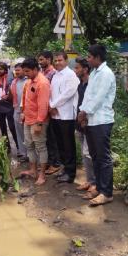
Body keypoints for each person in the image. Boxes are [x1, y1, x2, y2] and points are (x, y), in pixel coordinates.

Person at [78, 44, 116, 206]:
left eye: (90, 57)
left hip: (102, 121)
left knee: (103, 158)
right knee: (95, 157)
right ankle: (99, 187)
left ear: (98, 57)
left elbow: (99, 97)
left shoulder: (106, 74)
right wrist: (83, 112)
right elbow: (88, 96)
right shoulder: (94, 73)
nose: (88, 59)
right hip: (91, 120)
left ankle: (107, 193)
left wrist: (84, 112)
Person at [49, 52, 80, 184]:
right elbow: (50, 93)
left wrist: (53, 104)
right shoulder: (55, 75)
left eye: (60, 60)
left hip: (66, 116)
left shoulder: (70, 75)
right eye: (55, 60)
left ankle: (70, 173)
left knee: (68, 145)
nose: (57, 63)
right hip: (55, 115)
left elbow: (68, 93)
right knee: (60, 144)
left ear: (66, 61)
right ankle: (64, 169)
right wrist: (51, 106)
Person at [19, 58, 51, 185]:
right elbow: (25, 98)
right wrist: (23, 113)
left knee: (41, 147)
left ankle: (42, 174)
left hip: (38, 121)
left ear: (35, 69)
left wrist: (39, 123)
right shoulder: (29, 81)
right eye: (24, 71)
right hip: (27, 119)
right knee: (29, 145)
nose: (25, 73)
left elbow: (43, 105)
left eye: (27, 71)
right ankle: (33, 170)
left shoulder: (43, 83)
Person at [74, 58, 96, 194]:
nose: (75, 70)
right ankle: (89, 180)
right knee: (84, 152)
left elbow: (92, 103)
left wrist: (85, 118)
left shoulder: (91, 84)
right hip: (79, 122)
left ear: (85, 69)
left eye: (77, 68)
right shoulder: (80, 84)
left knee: (89, 153)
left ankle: (94, 182)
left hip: (87, 121)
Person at [38, 50, 61, 175]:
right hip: (43, 110)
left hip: (51, 109)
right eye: (39, 60)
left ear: (48, 59)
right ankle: (48, 162)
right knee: (46, 138)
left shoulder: (53, 73)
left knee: (52, 138)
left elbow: (53, 92)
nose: (40, 62)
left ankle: (55, 163)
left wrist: (51, 106)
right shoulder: (42, 73)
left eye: (42, 59)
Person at [0, 62, 19, 154]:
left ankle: (18, 146)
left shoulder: (10, 77)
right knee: (3, 128)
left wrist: (8, 96)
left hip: (9, 106)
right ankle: (7, 146)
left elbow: (13, 90)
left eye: (1, 69)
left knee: (12, 127)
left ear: (5, 69)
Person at [11, 63, 28, 161]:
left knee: (28, 134)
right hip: (17, 110)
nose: (17, 72)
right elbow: (12, 96)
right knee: (20, 133)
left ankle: (31, 155)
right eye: (15, 70)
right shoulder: (14, 82)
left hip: (27, 111)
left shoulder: (28, 81)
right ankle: (23, 153)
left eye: (19, 70)